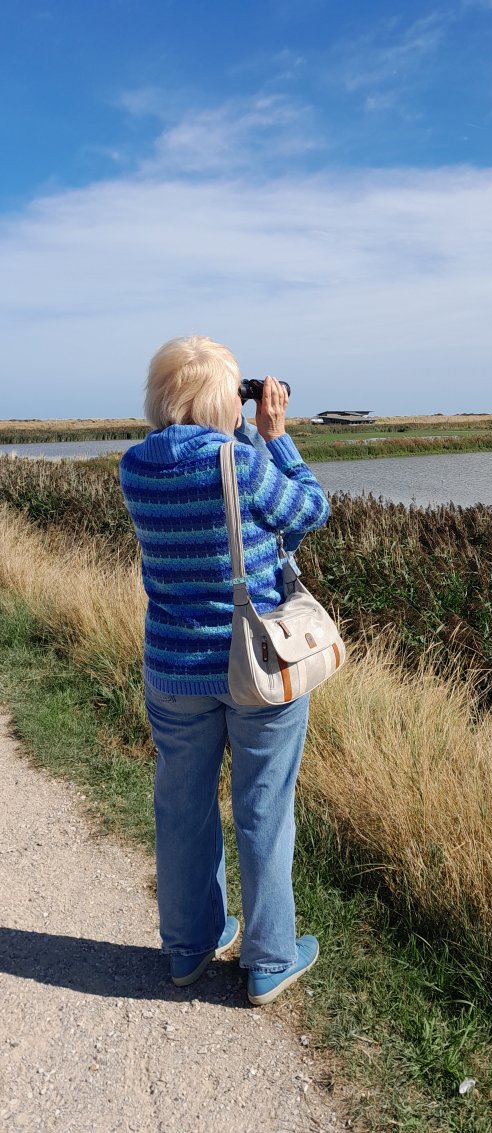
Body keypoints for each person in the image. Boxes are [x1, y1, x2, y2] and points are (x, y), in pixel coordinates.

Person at [119, 335, 330, 1005]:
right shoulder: (240, 462)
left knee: (181, 806)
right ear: (224, 402)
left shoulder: (135, 467)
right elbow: (309, 509)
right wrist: (276, 437)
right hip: (254, 666)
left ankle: (188, 947)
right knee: (263, 805)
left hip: (175, 667)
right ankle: (269, 957)